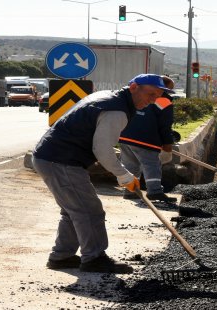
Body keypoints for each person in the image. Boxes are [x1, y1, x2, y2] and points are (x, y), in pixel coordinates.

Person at [32, 74, 173, 273]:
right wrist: (123, 175)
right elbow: (102, 149)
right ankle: (94, 258)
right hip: (61, 160)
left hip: (52, 156)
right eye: (150, 94)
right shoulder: (116, 110)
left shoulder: (110, 98)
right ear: (133, 87)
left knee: (74, 209)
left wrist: (117, 167)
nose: (152, 100)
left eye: (157, 96)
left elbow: (98, 142)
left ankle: (62, 256)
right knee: (89, 210)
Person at [119, 76, 177, 203]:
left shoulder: (136, 96)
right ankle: (154, 191)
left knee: (130, 165)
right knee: (152, 165)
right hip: (146, 139)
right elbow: (164, 125)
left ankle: (130, 191)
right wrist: (167, 143)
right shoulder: (164, 101)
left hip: (125, 136)